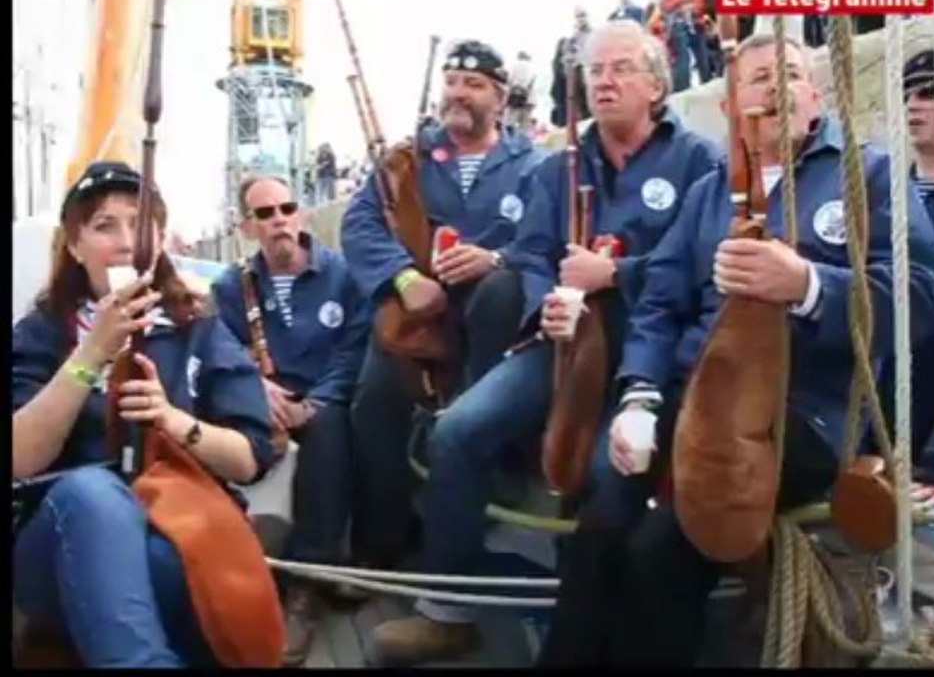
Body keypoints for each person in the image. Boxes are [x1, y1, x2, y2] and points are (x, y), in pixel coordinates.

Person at [538, 32, 934, 668]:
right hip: (690, 394)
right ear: (729, 107)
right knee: (599, 528)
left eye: (788, 73)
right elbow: (660, 302)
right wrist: (639, 396)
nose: (774, 87)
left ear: (814, 93)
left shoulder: (871, 174)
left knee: (659, 549)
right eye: (756, 79)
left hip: (804, 414)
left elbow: (924, 297)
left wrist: (809, 285)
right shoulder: (706, 194)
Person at [371, 19, 723, 665]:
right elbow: (531, 252)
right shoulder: (561, 165)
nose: (603, 82)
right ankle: (447, 610)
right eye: (594, 72)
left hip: (651, 356)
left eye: (619, 69)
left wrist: (617, 274)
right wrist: (549, 304)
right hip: (559, 342)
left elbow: (701, 269)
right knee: (457, 431)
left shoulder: (701, 162)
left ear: (655, 82)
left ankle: (595, 622)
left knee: (603, 472)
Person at [12, 160, 276, 668]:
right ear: (74, 245)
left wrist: (175, 421)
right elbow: (20, 458)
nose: (126, 240)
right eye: (104, 225)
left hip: (182, 529)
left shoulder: (197, 326)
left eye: (140, 222)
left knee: (161, 561)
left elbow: (249, 458)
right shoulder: (41, 334)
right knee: (91, 494)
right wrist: (89, 357)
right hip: (58, 539)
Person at [341, 39, 548, 574]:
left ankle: (496, 454)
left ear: (500, 99)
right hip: (416, 316)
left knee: (503, 295)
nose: (458, 94)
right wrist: (404, 277)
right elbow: (360, 224)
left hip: (492, 321)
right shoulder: (406, 161)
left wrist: (496, 258)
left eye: (474, 85)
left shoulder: (533, 164)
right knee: (376, 395)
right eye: (452, 83)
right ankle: (385, 541)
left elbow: (547, 238)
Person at [211, 174, 371, 666]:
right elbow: (220, 348)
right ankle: (239, 577)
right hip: (260, 403)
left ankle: (303, 586)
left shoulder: (341, 275)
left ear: (300, 212)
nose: (279, 220)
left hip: (322, 401)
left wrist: (317, 401)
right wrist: (256, 389)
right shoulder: (229, 286)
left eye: (286, 208)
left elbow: (354, 349)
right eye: (265, 214)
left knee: (329, 433)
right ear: (247, 226)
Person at [872, 49, 934, 487]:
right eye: (908, 94)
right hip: (889, 388)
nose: (914, 103)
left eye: (930, 93)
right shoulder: (886, 198)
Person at [549, 7, 592, 127]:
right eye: (578, 16)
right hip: (576, 75)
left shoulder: (595, 35)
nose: (581, 19)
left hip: (589, 73)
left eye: (583, 15)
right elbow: (565, 59)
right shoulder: (571, 38)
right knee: (579, 106)